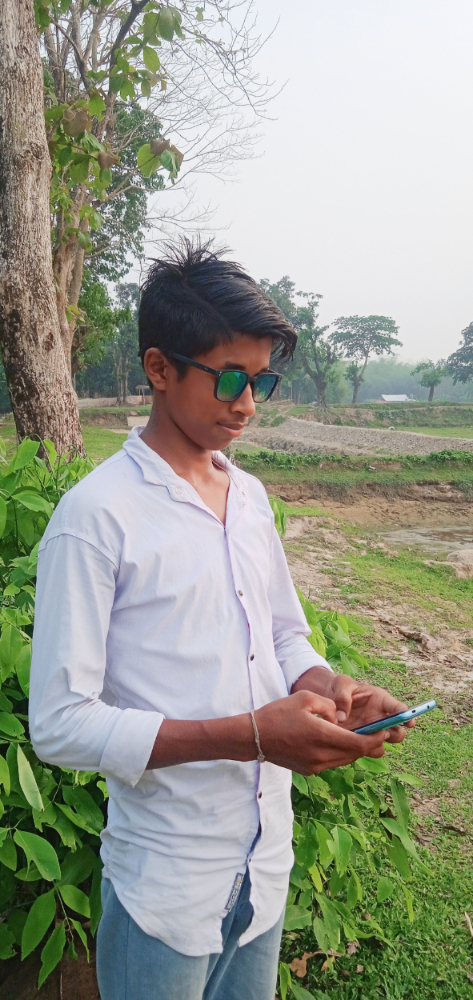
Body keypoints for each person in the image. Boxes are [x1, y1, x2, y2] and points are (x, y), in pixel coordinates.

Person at [29, 241, 412, 1000]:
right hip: (165, 886)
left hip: (263, 869)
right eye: (230, 377)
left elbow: (280, 634)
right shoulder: (98, 517)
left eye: (261, 379)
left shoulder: (250, 497)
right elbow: (61, 723)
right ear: (159, 367)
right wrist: (252, 734)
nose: (247, 403)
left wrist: (333, 687)